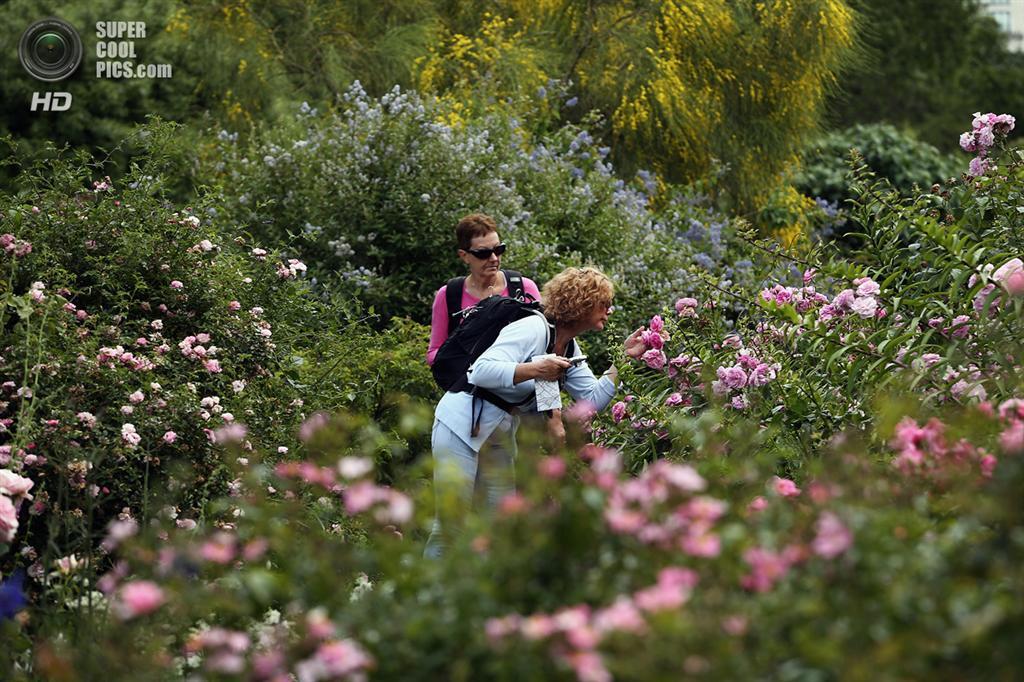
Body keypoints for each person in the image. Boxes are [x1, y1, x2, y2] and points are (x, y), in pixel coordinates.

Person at [424, 266, 645, 558]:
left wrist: (623, 360)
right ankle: (427, 597)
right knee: (451, 525)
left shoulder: (567, 345)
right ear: (584, 303)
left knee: (499, 527)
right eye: (604, 304)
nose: (610, 310)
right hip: (461, 423)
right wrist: (536, 369)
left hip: (498, 432)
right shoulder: (532, 328)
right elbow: (481, 370)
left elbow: (591, 401)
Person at [426, 214, 542, 366]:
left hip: (519, 383)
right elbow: (434, 353)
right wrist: (467, 363)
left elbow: (545, 341)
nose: (494, 258)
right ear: (464, 256)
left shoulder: (523, 288)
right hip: (467, 386)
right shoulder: (449, 295)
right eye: (483, 253)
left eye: (499, 249)